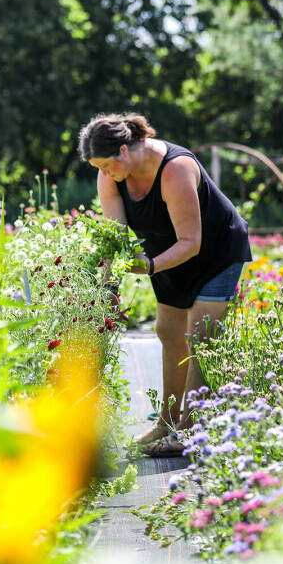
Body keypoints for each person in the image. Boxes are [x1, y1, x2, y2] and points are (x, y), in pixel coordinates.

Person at [78, 112, 252, 457]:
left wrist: (152, 266)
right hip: (169, 256)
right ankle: (166, 425)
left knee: (201, 337)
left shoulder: (174, 168)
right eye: (98, 167)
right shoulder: (110, 178)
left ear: (125, 151)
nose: (104, 173)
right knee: (168, 333)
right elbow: (117, 239)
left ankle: (190, 430)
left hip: (214, 252)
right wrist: (109, 290)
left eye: (107, 165)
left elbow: (192, 242)